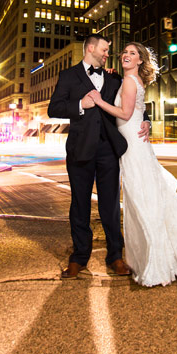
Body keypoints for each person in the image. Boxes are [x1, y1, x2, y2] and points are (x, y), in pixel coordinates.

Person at [87, 42, 177, 287]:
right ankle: (149, 256)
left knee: (141, 200)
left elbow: (124, 114)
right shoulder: (134, 81)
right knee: (146, 198)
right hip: (135, 144)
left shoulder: (129, 81)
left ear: (140, 61)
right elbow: (136, 111)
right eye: (124, 52)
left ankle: (154, 260)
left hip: (133, 147)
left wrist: (98, 100)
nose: (126, 55)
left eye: (132, 54)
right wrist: (145, 120)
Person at [47, 35, 151, 279]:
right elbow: (54, 108)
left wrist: (147, 121)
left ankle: (115, 255)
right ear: (91, 48)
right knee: (79, 205)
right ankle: (79, 257)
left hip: (108, 150)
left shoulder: (116, 77)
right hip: (80, 150)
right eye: (105, 50)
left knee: (111, 206)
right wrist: (80, 104)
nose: (107, 54)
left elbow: (136, 105)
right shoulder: (68, 76)